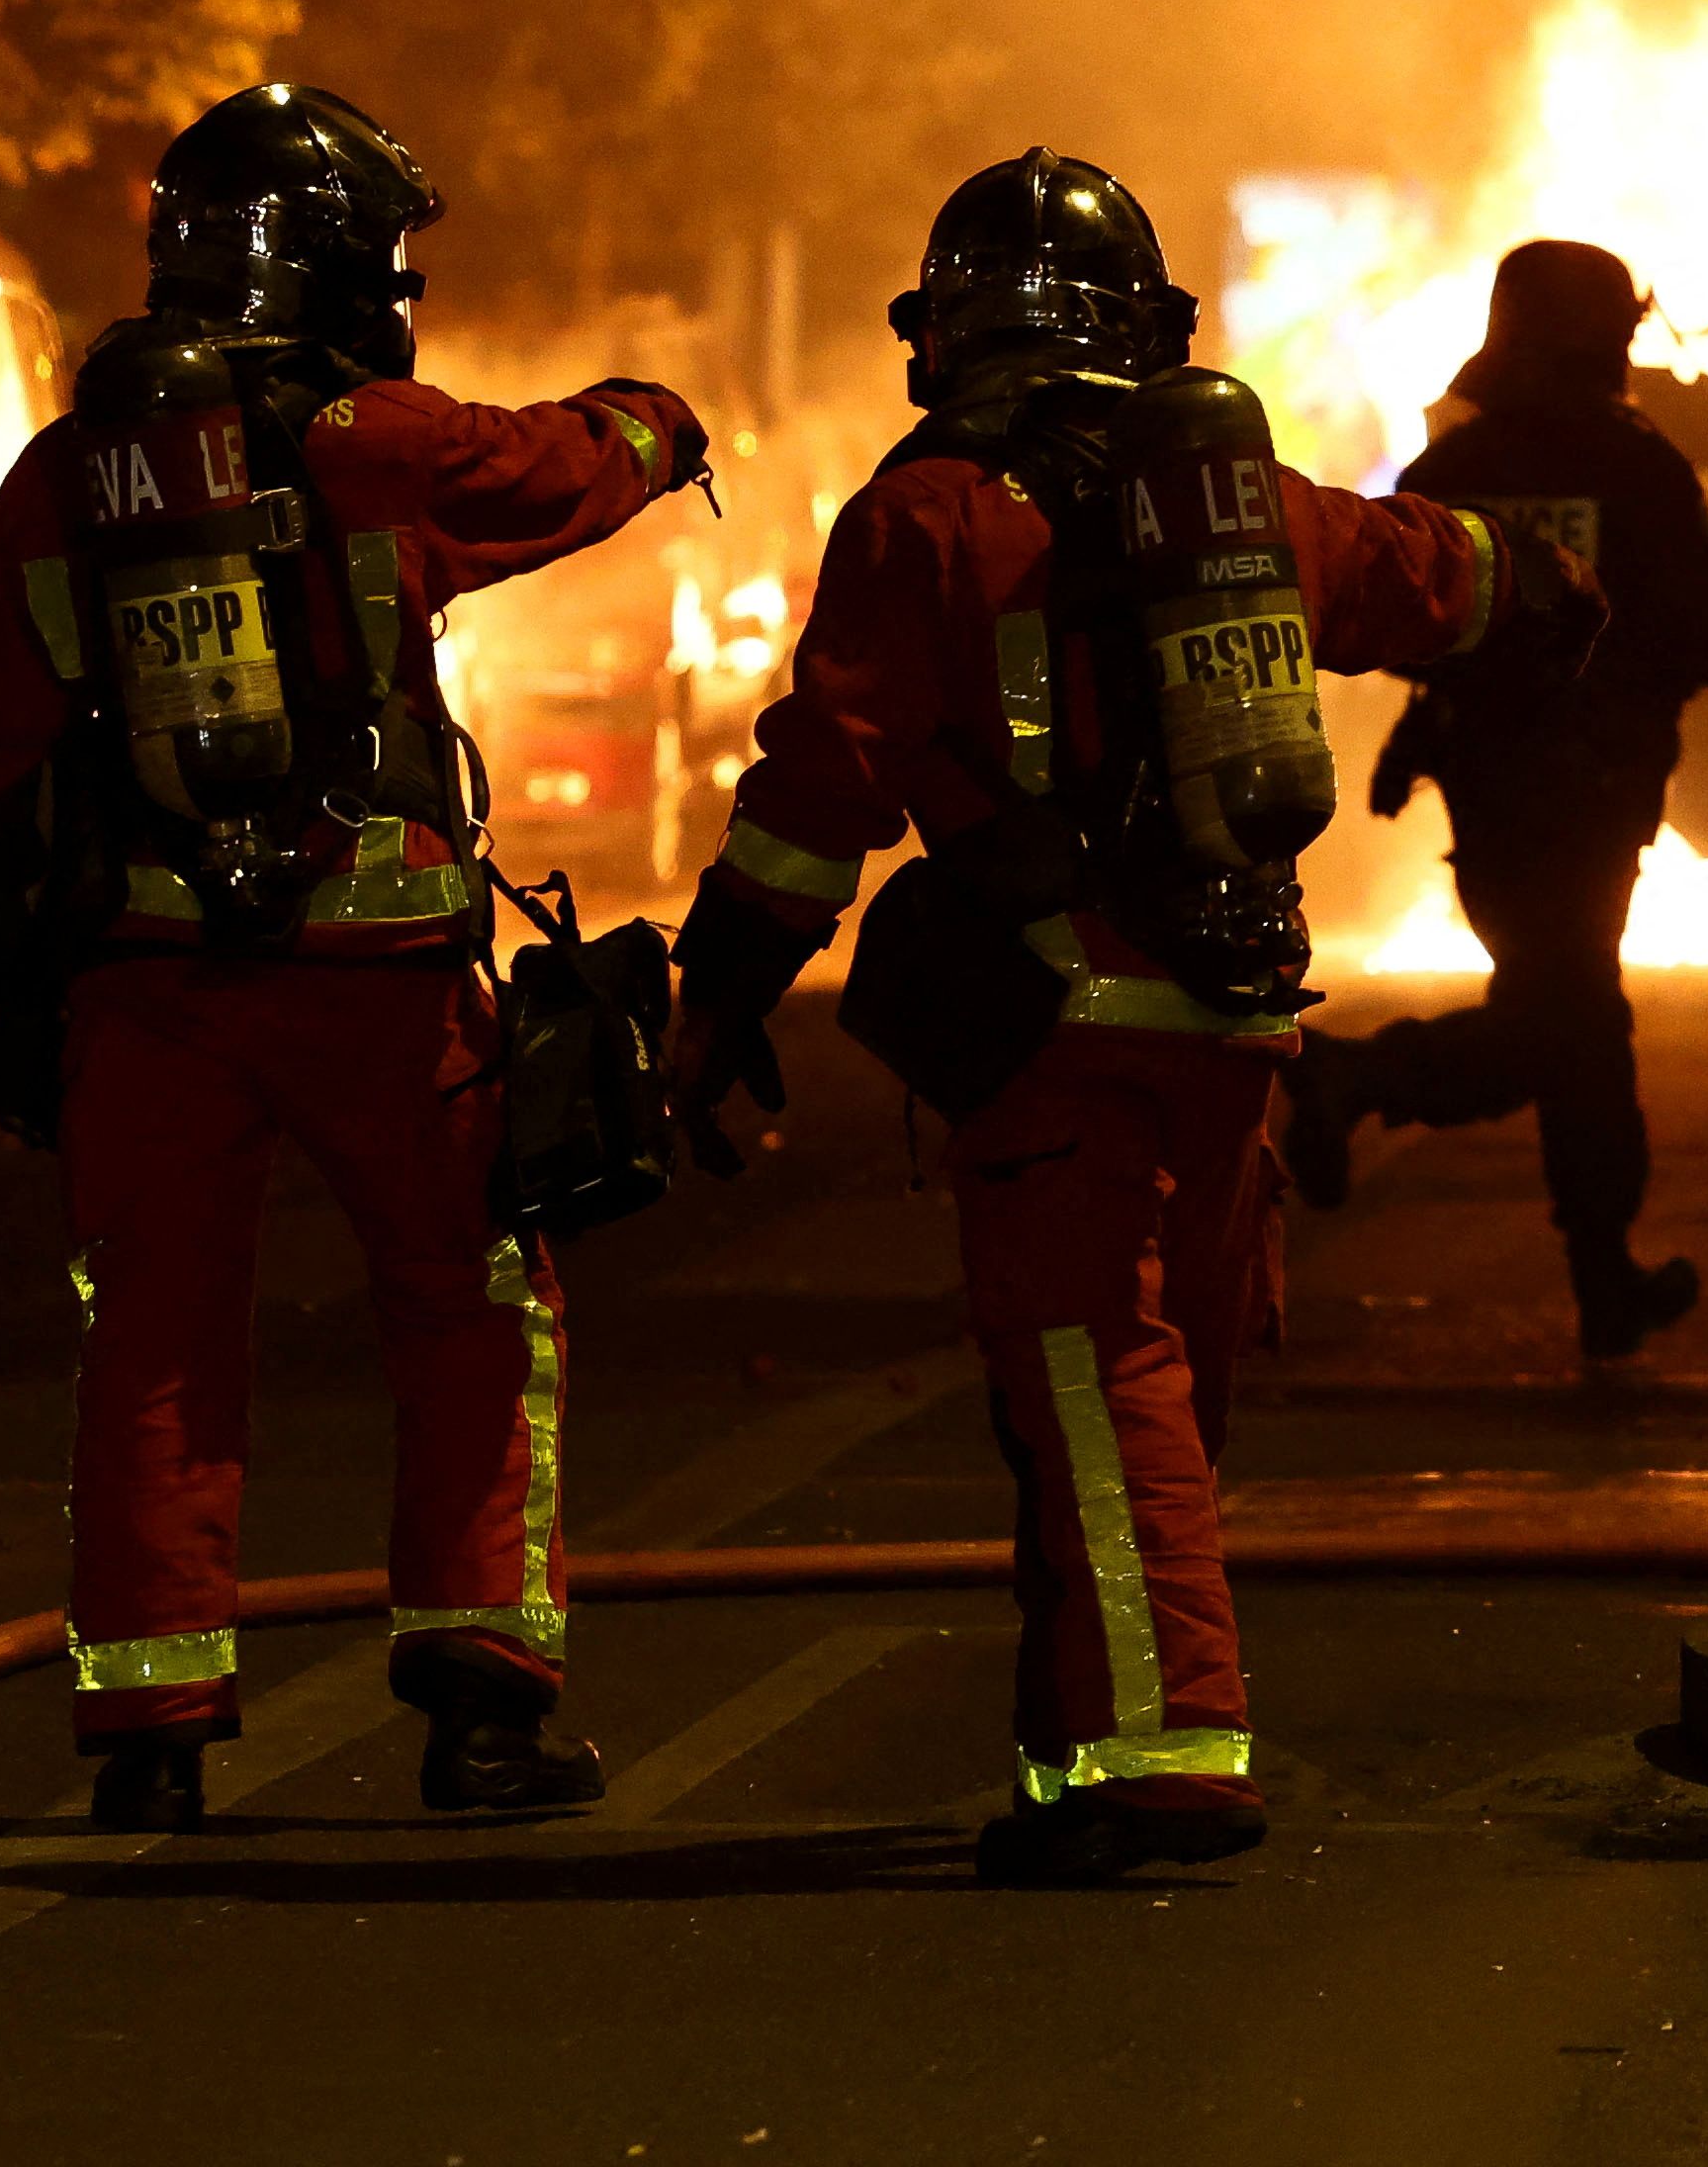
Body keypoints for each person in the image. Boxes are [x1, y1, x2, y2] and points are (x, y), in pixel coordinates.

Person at [661, 150, 1591, 1890]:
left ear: (943, 333)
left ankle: (1156, 1753)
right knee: (1168, 1387)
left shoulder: (925, 514)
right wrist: (1547, 591)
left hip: (1057, 1022)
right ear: (1145, 326)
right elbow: (1444, 574)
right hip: (1236, 1015)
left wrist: (719, 986)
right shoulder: (1247, 508)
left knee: (1099, 1384)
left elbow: (822, 788)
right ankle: (1080, 1732)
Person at [0, 83, 706, 1834]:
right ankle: (480, 1710)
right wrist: (657, 417)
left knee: (155, 1339)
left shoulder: (62, 479)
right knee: (471, 1310)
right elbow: (559, 468)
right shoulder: (370, 438)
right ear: (346, 263)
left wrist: (16, 987)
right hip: (382, 975)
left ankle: (148, 1732)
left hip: (140, 982)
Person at [1279, 239, 1708, 1360]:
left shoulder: (1455, 471)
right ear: (1601, 335)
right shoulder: (1637, 465)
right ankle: (1366, 1077)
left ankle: (1603, 1276)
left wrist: (1423, 732)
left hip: (1489, 788)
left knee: (1568, 1010)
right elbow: (1700, 609)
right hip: (1594, 786)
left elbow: (1411, 621)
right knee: (1570, 1021)